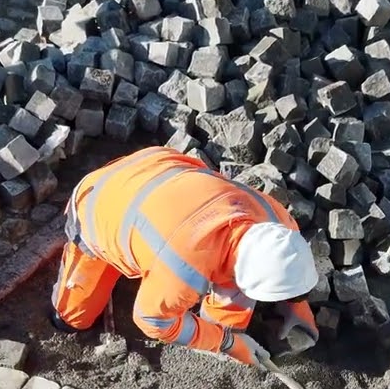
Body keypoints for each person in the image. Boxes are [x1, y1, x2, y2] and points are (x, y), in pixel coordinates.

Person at [50, 146, 320, 369]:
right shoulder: (185, 268)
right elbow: (152, 321)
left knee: (230, 286)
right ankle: (219, 337)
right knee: (74, 318)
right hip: (100, 202)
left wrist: (296, 301)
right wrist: (227, 343)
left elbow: (286, 260)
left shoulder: (279, 222)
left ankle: (221, 330)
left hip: (164, 167)